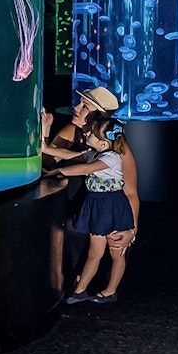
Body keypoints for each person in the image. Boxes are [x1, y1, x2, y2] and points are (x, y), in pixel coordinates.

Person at [45, 115, 134, 304]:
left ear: (103, 143)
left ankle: (110, 291)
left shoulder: (111, 158)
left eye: (92, 133)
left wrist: (58, 172)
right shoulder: (94, 152)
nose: (87, 134)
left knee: (116, 251)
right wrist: (46, 149)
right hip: (96, 205)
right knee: (95, 252)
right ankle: (80, 290)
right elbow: (70, 155)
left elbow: (86, 169)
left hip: (112, 206)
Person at [41, 87, 138, 253]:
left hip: (109, 220)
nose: (76, 108)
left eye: (85, 106)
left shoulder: (117, 147)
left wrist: (132, 231)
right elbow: (46, 163)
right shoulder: (71, 131)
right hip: (77, 219)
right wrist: (46, 131)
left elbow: (130, 192)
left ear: (98, 116)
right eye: (79, 103)